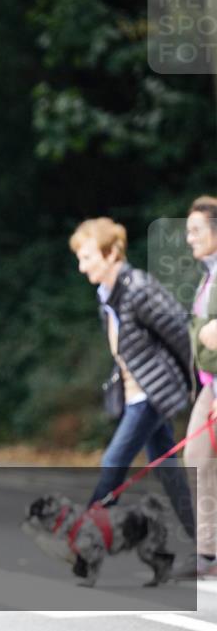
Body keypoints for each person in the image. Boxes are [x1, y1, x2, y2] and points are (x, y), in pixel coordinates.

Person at [69, 217, 197, 571]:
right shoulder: (107, 296)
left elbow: (180, 332)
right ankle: (207, 546)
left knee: (113, 463)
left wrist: (195, 385)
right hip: (136, 394)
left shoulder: (138, 288)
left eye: (87, 257)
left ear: (112, 254)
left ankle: (85, 547)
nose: (82, 267)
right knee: (168, 471)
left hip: (152, 394)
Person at [180, 196, 217, 578]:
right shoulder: (209, 273)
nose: (189, 238)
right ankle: (208, 553)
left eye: (196, 230)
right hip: (209, 385)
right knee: (198, 456)